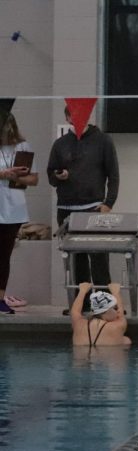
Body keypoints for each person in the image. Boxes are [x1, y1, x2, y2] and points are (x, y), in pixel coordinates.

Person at [48, 106, 120, 315]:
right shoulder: (60, 144)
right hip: (67, 208)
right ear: (68, 118)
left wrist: (109, 203)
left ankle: (105, 304)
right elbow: (50, 173)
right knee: (76, 259)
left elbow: (113, 174)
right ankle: (82, 303)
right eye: (73, 115)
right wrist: (57, 176)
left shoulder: (103, 140)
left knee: (98, 257)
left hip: (93, 206)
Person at [0, 111, 37, 315]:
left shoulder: (23, 147)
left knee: (4, 256)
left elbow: (34, 180)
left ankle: (0, 298)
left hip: (13, 210)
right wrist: (3, 174)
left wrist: (16, 177)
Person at [71, 281, 131, 347]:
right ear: (106, 311)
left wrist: (82, 291)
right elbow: (120, 315)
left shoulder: (79, 325)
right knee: (126, 340)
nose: (117, 311)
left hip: (84, 356)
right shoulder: (116, 327)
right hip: (108, 355)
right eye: (115, 308)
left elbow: (75, 312)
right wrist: (116, 292)